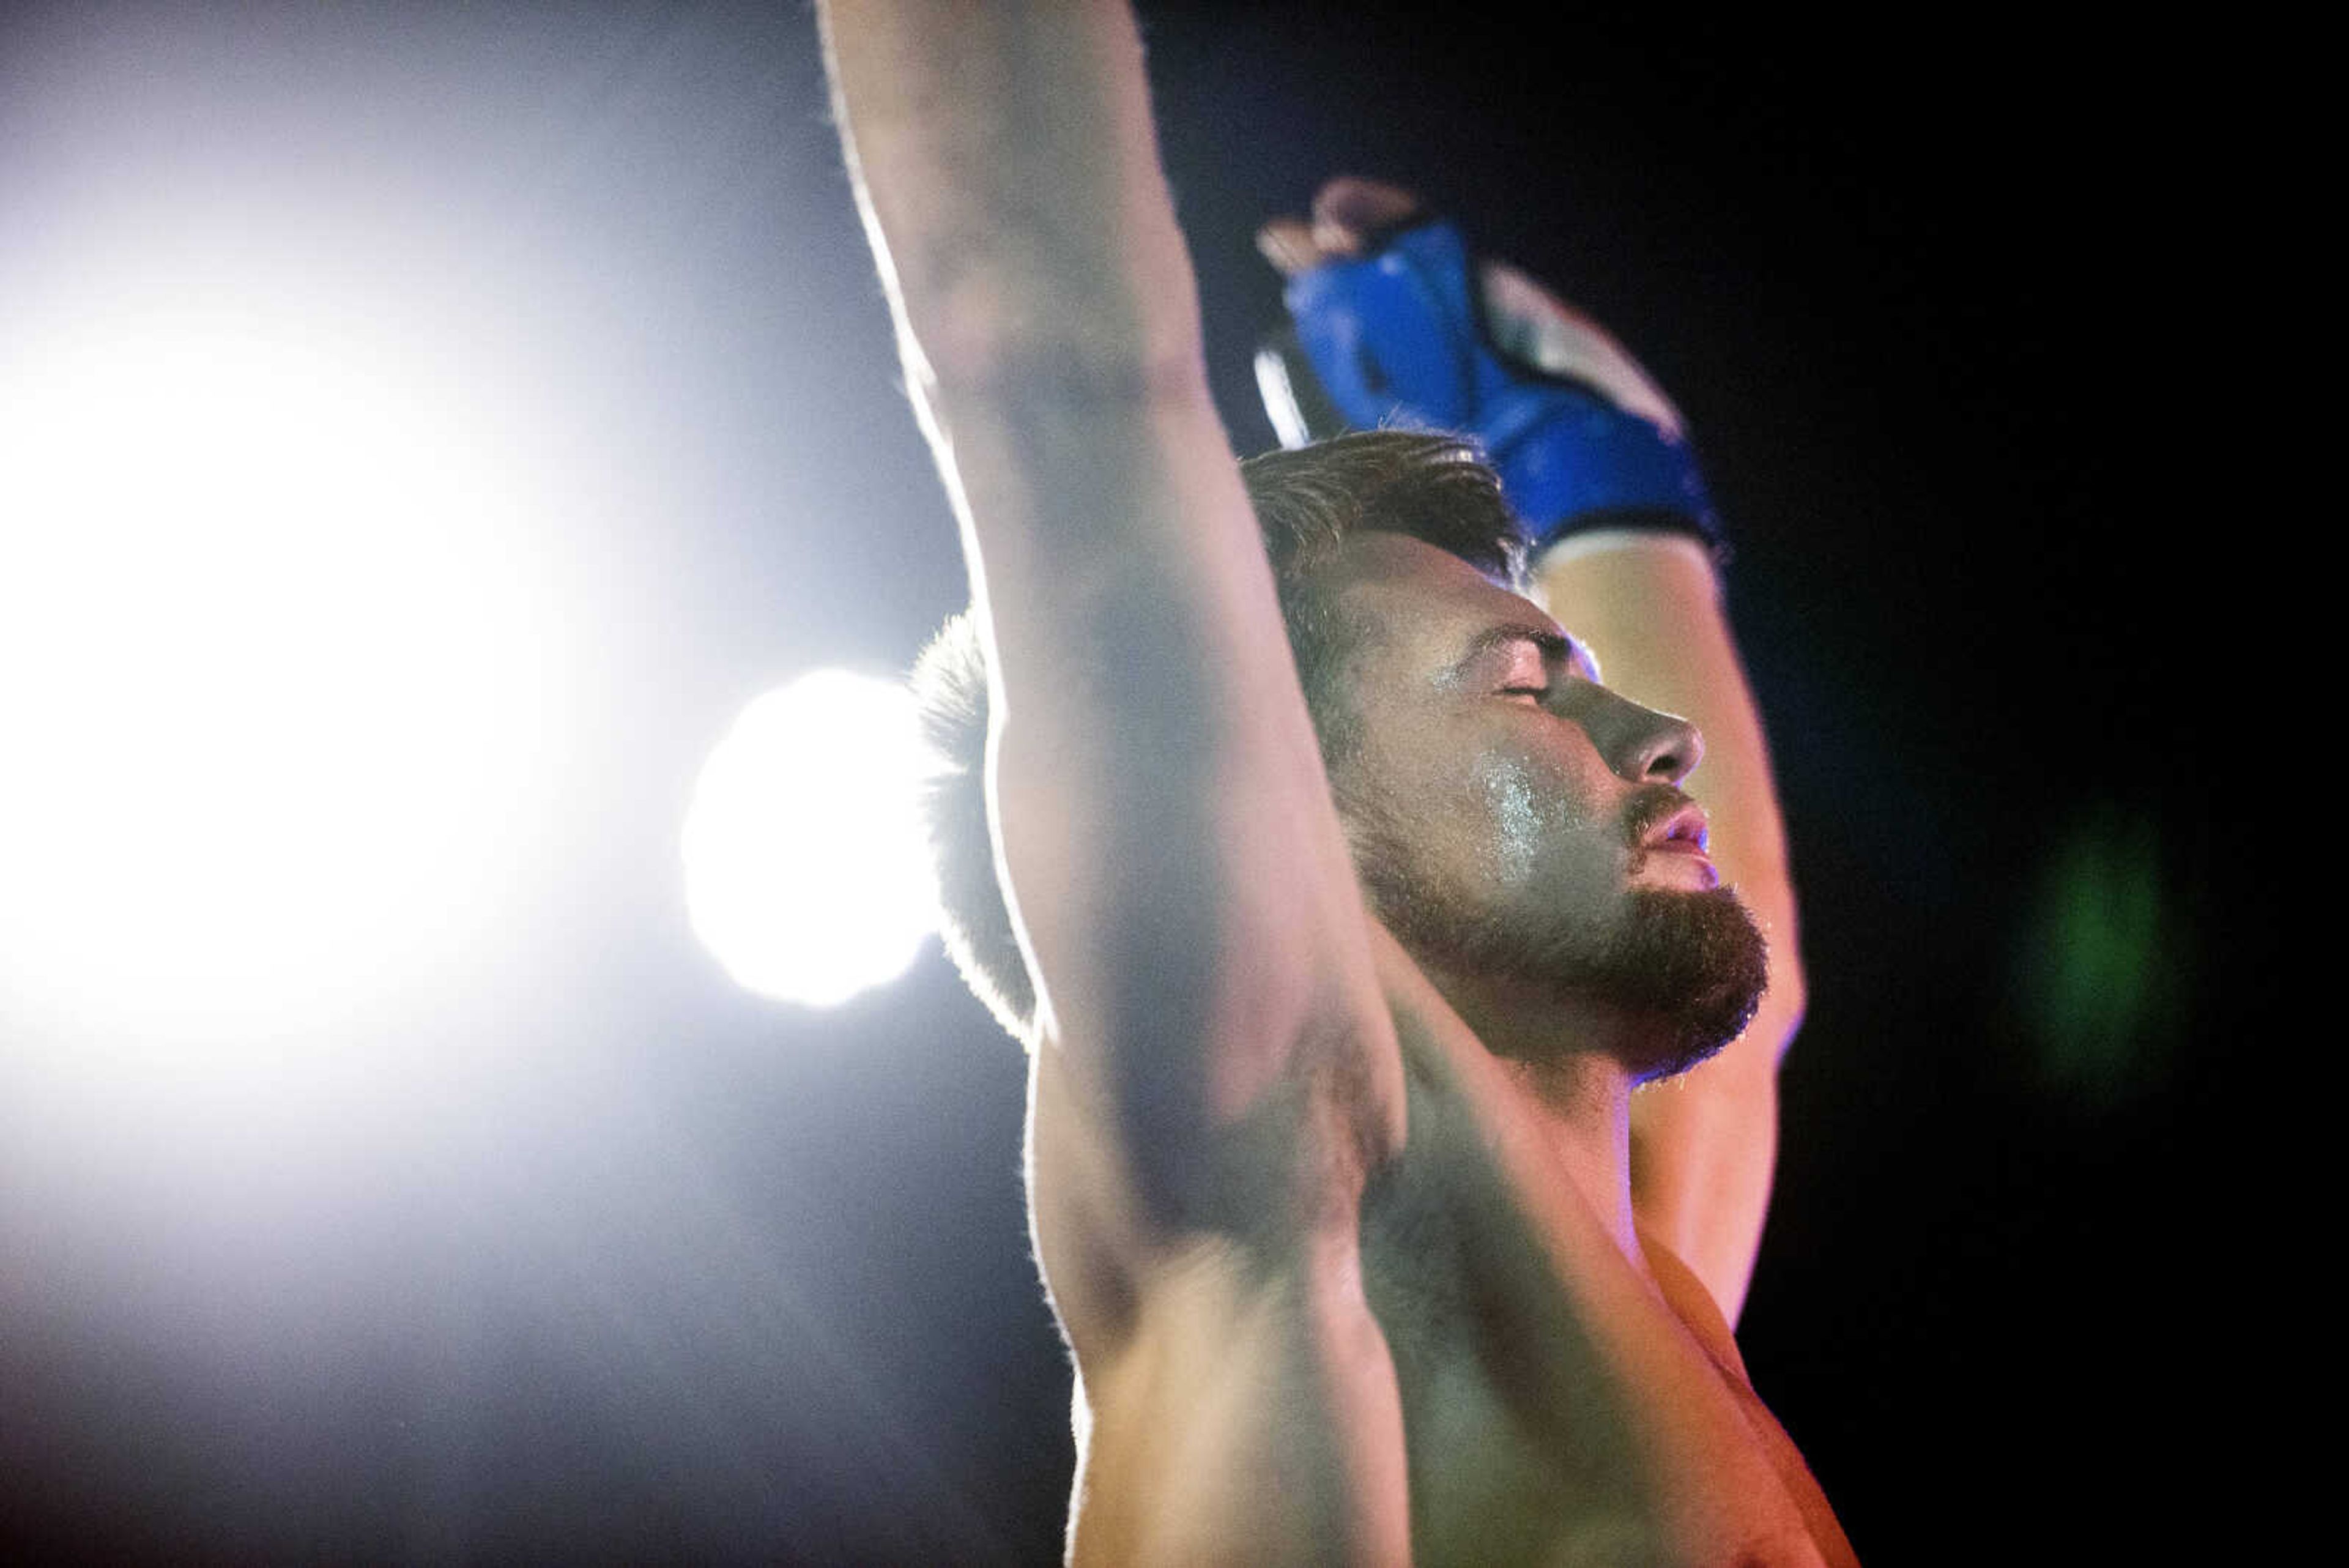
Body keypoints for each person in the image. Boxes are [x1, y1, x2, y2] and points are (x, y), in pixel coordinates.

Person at [822, 4, 1856, 1562]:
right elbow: (1047, 358)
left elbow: (1751, 932)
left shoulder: (1624, 1277)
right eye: (1526, 686)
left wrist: (1584, 458)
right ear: (1286, 831)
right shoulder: (1309, 1217)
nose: (1660, 737)